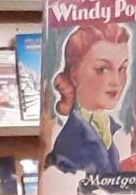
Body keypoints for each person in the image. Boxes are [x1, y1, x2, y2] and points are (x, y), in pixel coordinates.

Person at [45, 23, 130, 177]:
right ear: (74, 75)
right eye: (102, 69)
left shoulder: (108, 128)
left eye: (122, 69)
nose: (116, 81)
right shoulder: (69, 142)